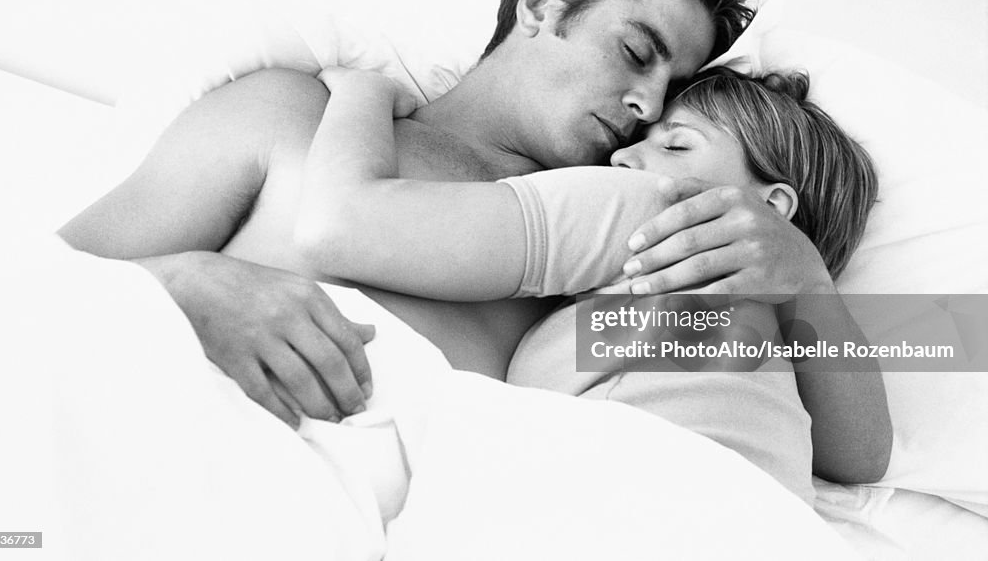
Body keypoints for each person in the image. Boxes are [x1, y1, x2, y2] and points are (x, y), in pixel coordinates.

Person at [58, 0, 887, 482]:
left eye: (670, 93)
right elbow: (40, 278)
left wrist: (806, 276)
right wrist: (184, 282)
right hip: (140, 439)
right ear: (541, 3)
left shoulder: (626, 234)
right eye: (637, 52)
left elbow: (857, 452)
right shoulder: (291, 110)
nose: (645, 104)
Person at [297, 64, 885, 500]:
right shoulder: (786, 331)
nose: (623, 162)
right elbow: (860, 460)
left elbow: (337, 226)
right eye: (638, 143)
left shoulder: (653, 212)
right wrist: (810, 285)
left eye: (676, 145)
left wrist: (362, 90)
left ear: (771, 206)